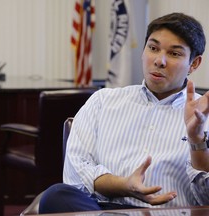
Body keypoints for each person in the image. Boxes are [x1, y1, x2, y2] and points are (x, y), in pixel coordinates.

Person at [39, 12, 209, 213]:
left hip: (169, 212)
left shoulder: (202, 114)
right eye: (153, 48)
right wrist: (124, 185)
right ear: (143, 51)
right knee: (56, 195)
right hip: (100, 210)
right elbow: (75, 173)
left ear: (194, 63)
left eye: (174, 53)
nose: (159, 61)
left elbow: (205, 197)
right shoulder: (103, 101)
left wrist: (197, 141)